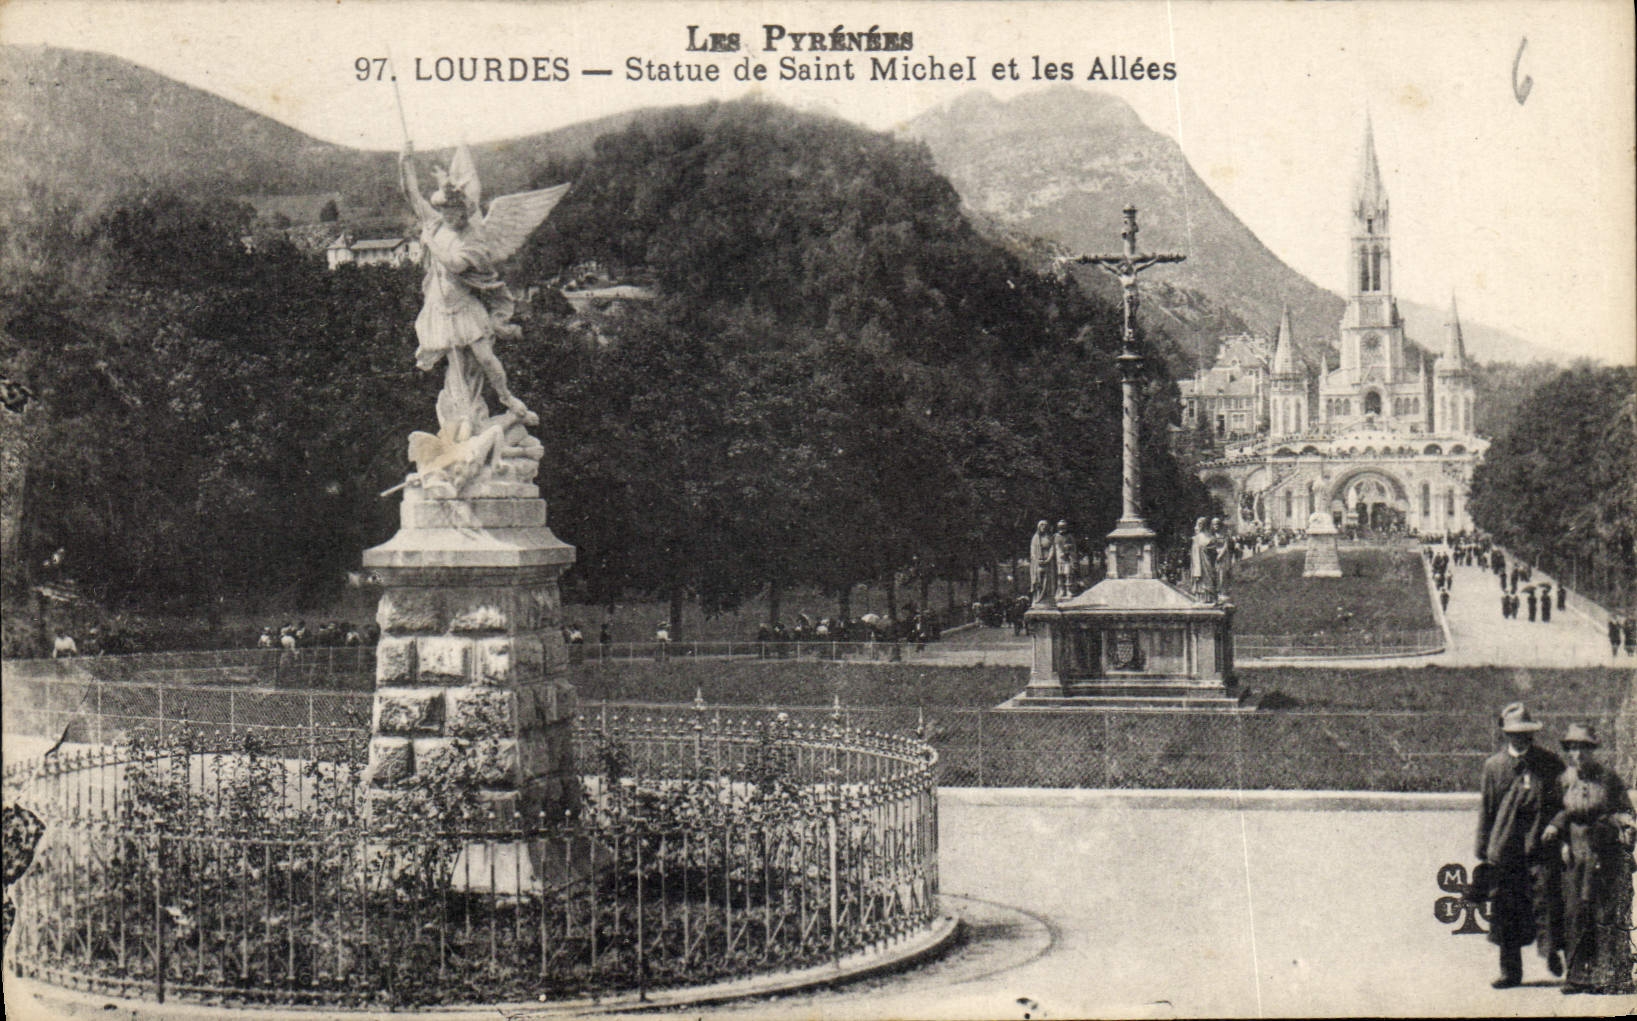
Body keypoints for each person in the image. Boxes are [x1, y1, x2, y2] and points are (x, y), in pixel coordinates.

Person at [1474, 702, 1565, 989]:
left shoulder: (1550, 763)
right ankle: (1510, 972)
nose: (1520, 737)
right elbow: (1487, 810)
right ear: (1505, 734)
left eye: (1525, 732)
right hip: (1506, 849)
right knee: (1506, 909)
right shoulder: (1494, 766)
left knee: (1547, 901)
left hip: (1540, 847)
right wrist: (1483, 847)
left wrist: (1555, 827)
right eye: (1514, 732)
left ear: (1532, 734)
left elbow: (1565, 804)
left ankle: (1551, 952)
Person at [1543, 724, 1635, 995]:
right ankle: (1576, 976)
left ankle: (1609, 975)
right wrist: (1558, 835)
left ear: (1593, 750)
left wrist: (1623, 827)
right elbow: (1558, 811)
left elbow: (1626, 812)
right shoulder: (1564, 779)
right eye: (1572, 748)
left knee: (1604, 912)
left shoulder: (1609, 779)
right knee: (1575, 912)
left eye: (1583, 747)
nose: (1578, 753)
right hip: (1575, 854)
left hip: (1605, 853)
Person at [1190, 517, 1220, 602]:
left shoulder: (1211, 538)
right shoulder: (1196, 538)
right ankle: (1201, 598)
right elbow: (1194, 554)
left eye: (1201, 523)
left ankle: (1210, 597)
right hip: (1198, 564)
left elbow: (1214, 552)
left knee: (1209, 578)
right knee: (1201, 581)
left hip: (1208, 563)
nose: (1199, 526)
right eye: (1199, 524)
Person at [1028, 520, 1055, 605]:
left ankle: (1047, 600)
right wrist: (1036, 559)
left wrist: (1048, 559)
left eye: (1045, 525)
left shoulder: (1050, 537)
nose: (1043, 527)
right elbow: (1032, 550)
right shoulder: (1035, 537)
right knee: (1038, 580)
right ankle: (1037, 599)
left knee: (1048, 580)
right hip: (1037, 562)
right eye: (1041, 525)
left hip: (1047, 562)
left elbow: (1052, 548)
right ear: (1038, 527)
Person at [1052, 521, 1077, 600]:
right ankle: (1061, 590)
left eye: (1063, 526)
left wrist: (1068, 550)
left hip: (1067, 558)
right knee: (1059, 575)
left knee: (1068, 574)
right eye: (1060, 526)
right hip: (1058, 558)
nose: (1062, 528)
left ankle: (1069, 590)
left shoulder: (1069, 536)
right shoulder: (1055, 536)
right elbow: (1052, 547)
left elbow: (1074, 547)